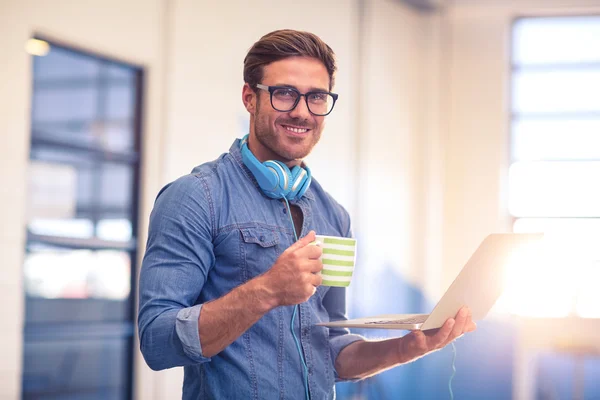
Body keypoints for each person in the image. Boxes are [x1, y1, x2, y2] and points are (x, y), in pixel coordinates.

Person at [137, 29, 476, 399]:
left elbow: (328, 349)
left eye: (316, 97)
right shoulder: (195, 197)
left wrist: (406, 348)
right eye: (284, 93)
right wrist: (267, 290)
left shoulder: (333, 214)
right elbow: (157, 341)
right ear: (250, 98)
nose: (301, 111)